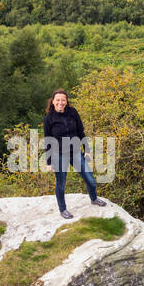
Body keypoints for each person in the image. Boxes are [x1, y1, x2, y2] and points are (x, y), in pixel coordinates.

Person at [43, 89, 106, 219]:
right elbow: (47, 141)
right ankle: (63, 209)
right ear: (53, 101)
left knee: (91, 181)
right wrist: (48, 162)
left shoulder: (73, 112)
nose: (60, 102)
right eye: (58, 100)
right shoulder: (49, 118)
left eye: (63, 100)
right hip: (59, 155)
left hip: (76, 152)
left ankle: (93, 199)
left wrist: (87, 150)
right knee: (61, 184)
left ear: (66, 101)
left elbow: (81, 132)